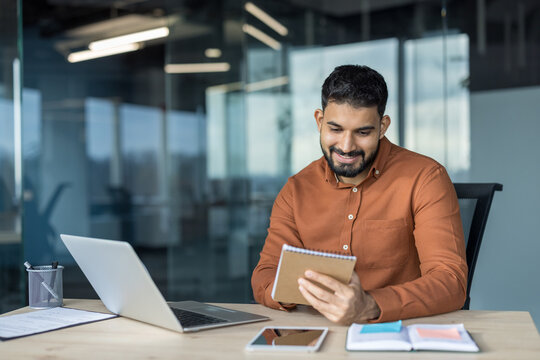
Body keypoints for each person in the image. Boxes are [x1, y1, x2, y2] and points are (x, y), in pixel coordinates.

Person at [251, 65, 467, 325]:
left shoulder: (425, 178)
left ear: (383, 126)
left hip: (399, 335)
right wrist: (299, 292)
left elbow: (450, 281)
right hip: (317, 333)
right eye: (335, 129)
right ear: (319, 121)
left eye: (362, 132)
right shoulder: (296, 190)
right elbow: (265, 277)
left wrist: (369, 306)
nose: (346, 146)